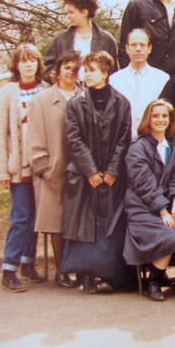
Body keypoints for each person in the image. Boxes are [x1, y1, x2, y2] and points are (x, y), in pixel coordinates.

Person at [62, 51, 131, 294]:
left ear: (105, 72)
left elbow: (124, 139)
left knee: (109, 225)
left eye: (92, 70)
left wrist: (112, 169)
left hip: (112, 176)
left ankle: (109, 274)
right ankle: (87, 274)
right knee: (86, 226)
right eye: (86, 70)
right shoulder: (75, 104)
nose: (86, 75)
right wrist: (90, 171)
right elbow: (74, 140)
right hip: (84, 177)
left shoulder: (122, 103)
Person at [123, 99, 175, 301]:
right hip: (142, 206)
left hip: (168, 202)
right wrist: (163, 211)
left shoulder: (174, 145)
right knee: (168, 234)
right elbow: (144, 185)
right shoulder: (138, 148)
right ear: (148, 120)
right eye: (155, 116)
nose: (160, 120)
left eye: (164, 116)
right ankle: (154, 281)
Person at [0, 44, 46, 292]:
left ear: (38, 63)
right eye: (23, 61)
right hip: (19, 166)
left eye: (32, 60)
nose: (28, 65)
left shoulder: (45, 89)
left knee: (36, 218)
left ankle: (28, 262)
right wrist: (2, 172)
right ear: (16, 65)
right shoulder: (7, 92)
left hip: (41, 166)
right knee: (22, 217)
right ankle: (9, 268)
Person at [27, 50, 83, 288]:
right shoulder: (41, 100)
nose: (71, 72)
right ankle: (62, 270)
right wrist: (43, 167)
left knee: (78, 220)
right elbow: (34, 137)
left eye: (75, 68)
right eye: (67, 67)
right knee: (56, 221)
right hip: (54, 169)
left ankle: (80, 267)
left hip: (81, 169)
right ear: (57, 71)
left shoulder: (85, 96)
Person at [44, 0, 118, 83]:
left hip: (96, 90)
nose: (68, 16)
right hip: (68, 89)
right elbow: (48, 69)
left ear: (84, 12)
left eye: (71, 12)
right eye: (67, 13)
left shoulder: (107, 40)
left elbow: (113, 73)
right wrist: (57, 76)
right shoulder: (60, 40)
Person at [110, 28, 170, 139]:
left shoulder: (162, 78)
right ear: (127, 48)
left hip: (153, 141)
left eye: (142, 45)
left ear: (149, 48)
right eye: (134, 45)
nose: (138, 49)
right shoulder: (114, 80)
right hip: (123, 141)